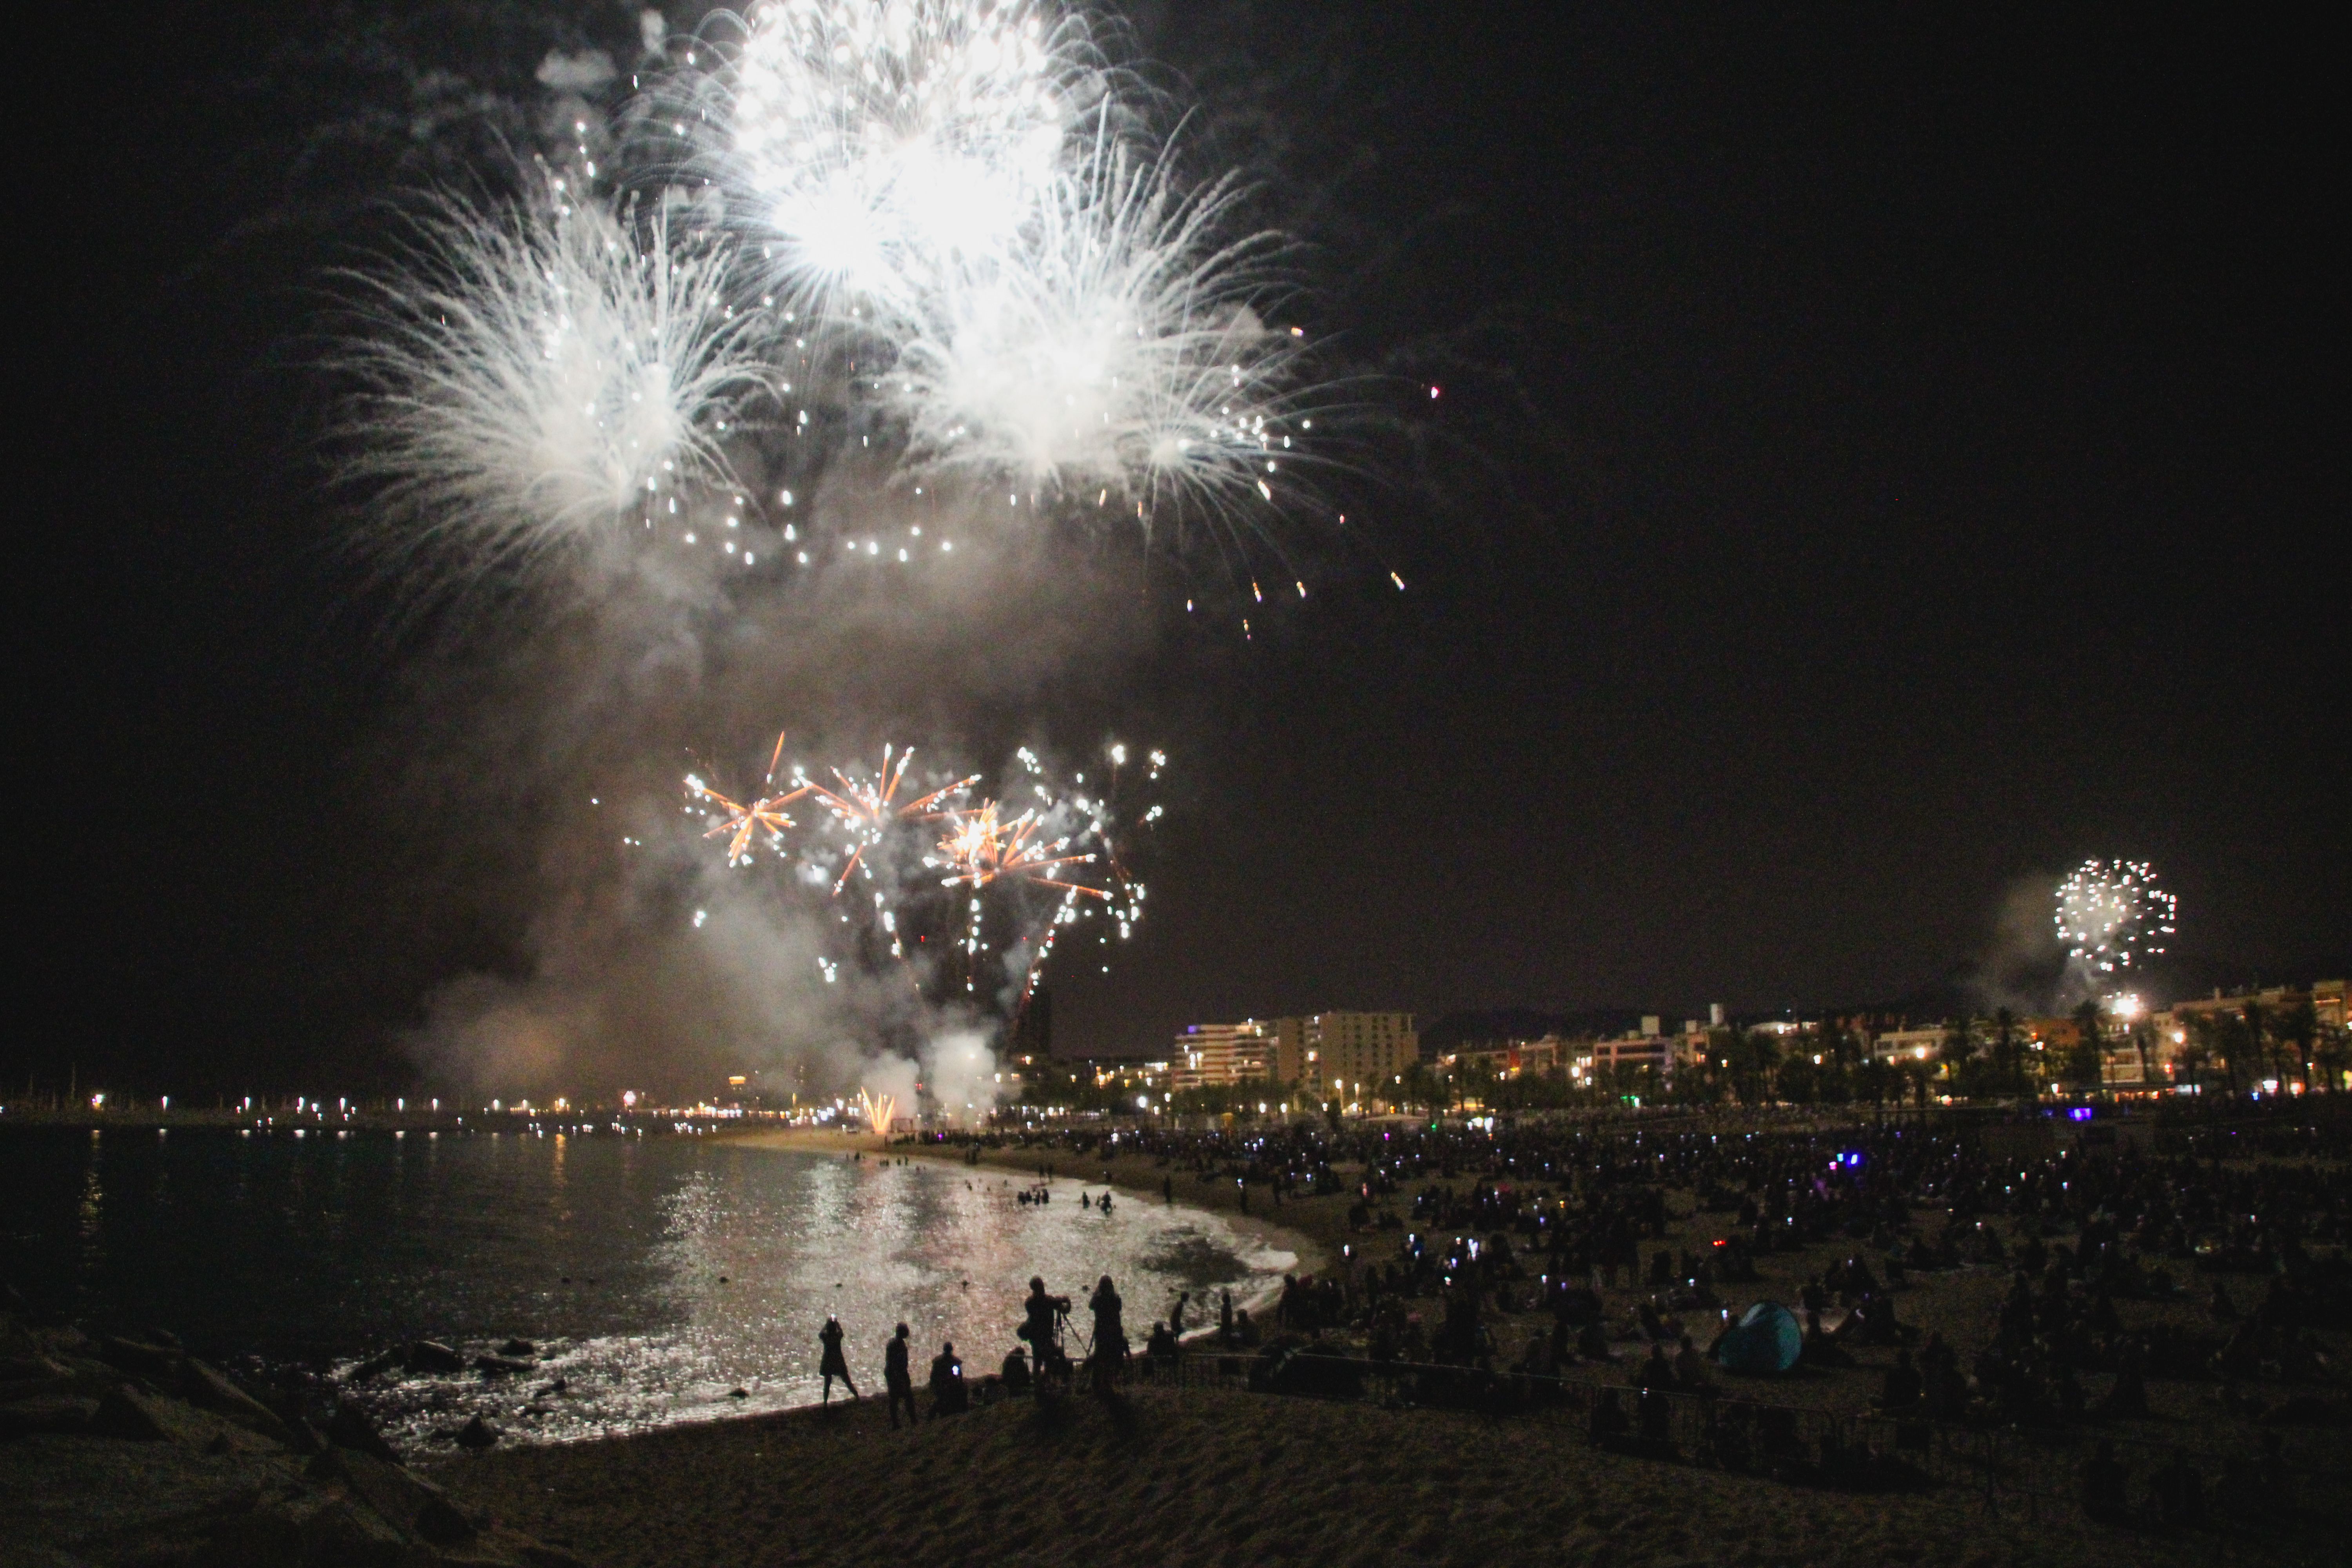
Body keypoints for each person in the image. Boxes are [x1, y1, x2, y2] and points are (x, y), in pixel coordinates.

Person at [1088, 1274, 1128, 1392]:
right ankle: (1107, 1383)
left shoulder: (1098, 1299)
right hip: (1114, 1331)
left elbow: (1091, 1306)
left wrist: (1096, 1294)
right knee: (1110, 1357)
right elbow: (1118, 1310)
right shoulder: (1116, 1298)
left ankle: (1097, 1383)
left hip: (1101, 1331)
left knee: (1100, 1356)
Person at [818, 1316, 859, 1404]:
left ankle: (825, 1402)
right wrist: (837, 1324)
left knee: (827, 1383)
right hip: (838, 1360)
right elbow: (841, 1332)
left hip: (828, 1360)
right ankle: (856, 1395)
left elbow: (820, 1334)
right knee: (846, 1380)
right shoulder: (837, 1337)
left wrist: (826, 1325)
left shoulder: (826, 1337)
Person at [884, 1322, 917, 1428]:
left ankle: (911, 1419)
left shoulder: (898, 1344)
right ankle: (898, 1422)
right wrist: (898, 1376)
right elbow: (893, 1363)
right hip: (895, 1374)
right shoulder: (895, 1345)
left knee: (906, 1397)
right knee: (896, 1398)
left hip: (900, 1373)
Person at [928, 1340, 967, 1417]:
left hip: (950, 1384)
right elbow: (934, 1376)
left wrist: (959, 1382)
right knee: (941, 1399)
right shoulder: (940, 1362)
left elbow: (958, 1374)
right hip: (941, 1384)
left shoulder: (953, 1362)